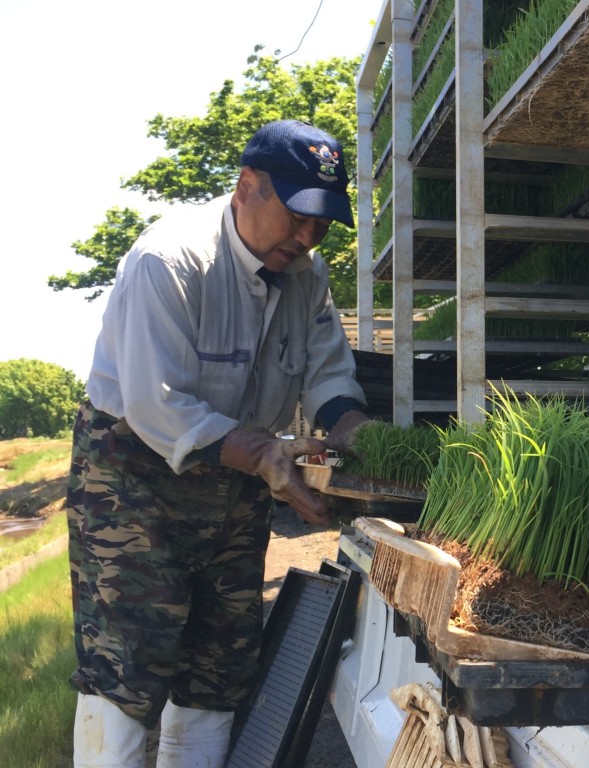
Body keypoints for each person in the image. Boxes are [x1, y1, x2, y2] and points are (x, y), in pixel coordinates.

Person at [66, 119, 370, 768]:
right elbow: (156, 404)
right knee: (128, 667)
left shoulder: (307, 282)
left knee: (219, 667)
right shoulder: (169, 261)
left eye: (321, 222)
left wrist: (349, 439)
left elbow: (329, 377)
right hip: (134, 475)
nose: (308, 236)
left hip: (237, 478)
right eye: (297, 216)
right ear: (246, 187)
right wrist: (267, 456)